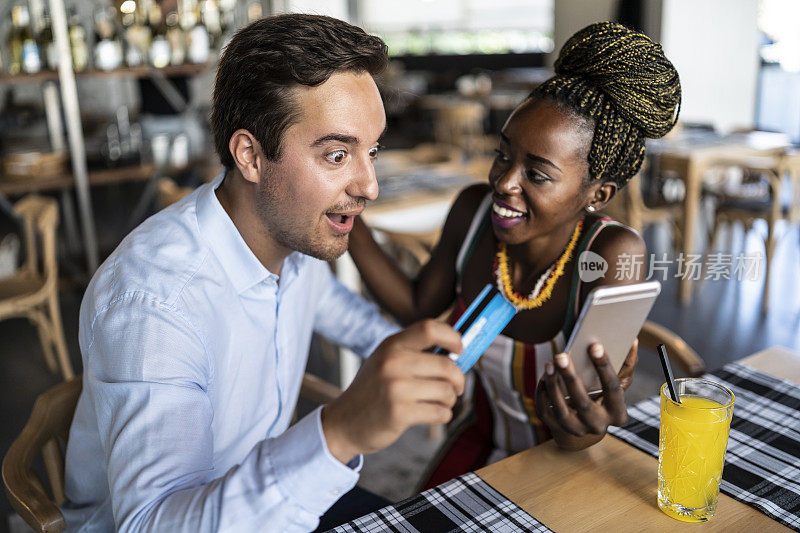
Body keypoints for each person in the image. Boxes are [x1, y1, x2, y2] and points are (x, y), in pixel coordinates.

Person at [62, 15, 466, 532]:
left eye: (373, 152)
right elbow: (149, 525)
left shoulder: (292, 242)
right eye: (337, 155)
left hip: (264, 496)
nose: (369, 186)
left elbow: (347, 318)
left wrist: (427, 357)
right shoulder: (153, 300)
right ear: (250, 155)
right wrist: (337, 433)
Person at [348, 21, 682, 488]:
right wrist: (348, 215)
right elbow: (416, 306)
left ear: (599, 194)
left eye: (538, 174)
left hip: (567, 465)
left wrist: (589, 420)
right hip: (477, 442)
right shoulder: (472, 212)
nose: (505, 182)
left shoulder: (611, 252)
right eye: (504, 154)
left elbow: (582, 421)